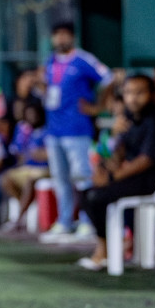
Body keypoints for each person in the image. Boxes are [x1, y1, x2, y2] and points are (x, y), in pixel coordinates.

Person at [76, 74, 155, 271]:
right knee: (87, 192)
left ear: (152, 95)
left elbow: (145, 161)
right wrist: (114, 139)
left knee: (96, 197)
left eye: (139, 93)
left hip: (151, 182)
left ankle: (105, 250)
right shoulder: (128, 119)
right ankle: (107, 246)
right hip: (130, 178)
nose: (133, 98)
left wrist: (111, 177)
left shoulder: (154, 121)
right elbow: (119, 152)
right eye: (128, 93)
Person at [41, 22, 112, 240]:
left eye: (65, 35)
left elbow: (109, 78)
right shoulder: (50, 62)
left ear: (72, 37)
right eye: (57, 35)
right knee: (61, 179)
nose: (61, 39)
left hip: (77, 129)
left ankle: (88, 222)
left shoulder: (84, 59)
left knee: (82, 177)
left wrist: (98, 107)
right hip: (54, 130)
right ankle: (65, 222)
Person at [0, 101, 49, 222]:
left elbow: (49, 154)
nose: (32, 117)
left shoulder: (48, 131)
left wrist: (40, 154)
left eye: (34, 114)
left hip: (43, 169)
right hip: (27, 168)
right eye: (29, 115)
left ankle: (19, 218)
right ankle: (25, 207)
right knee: (5, 179)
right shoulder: (25, 131)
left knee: (30, 181)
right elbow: (21, 153)